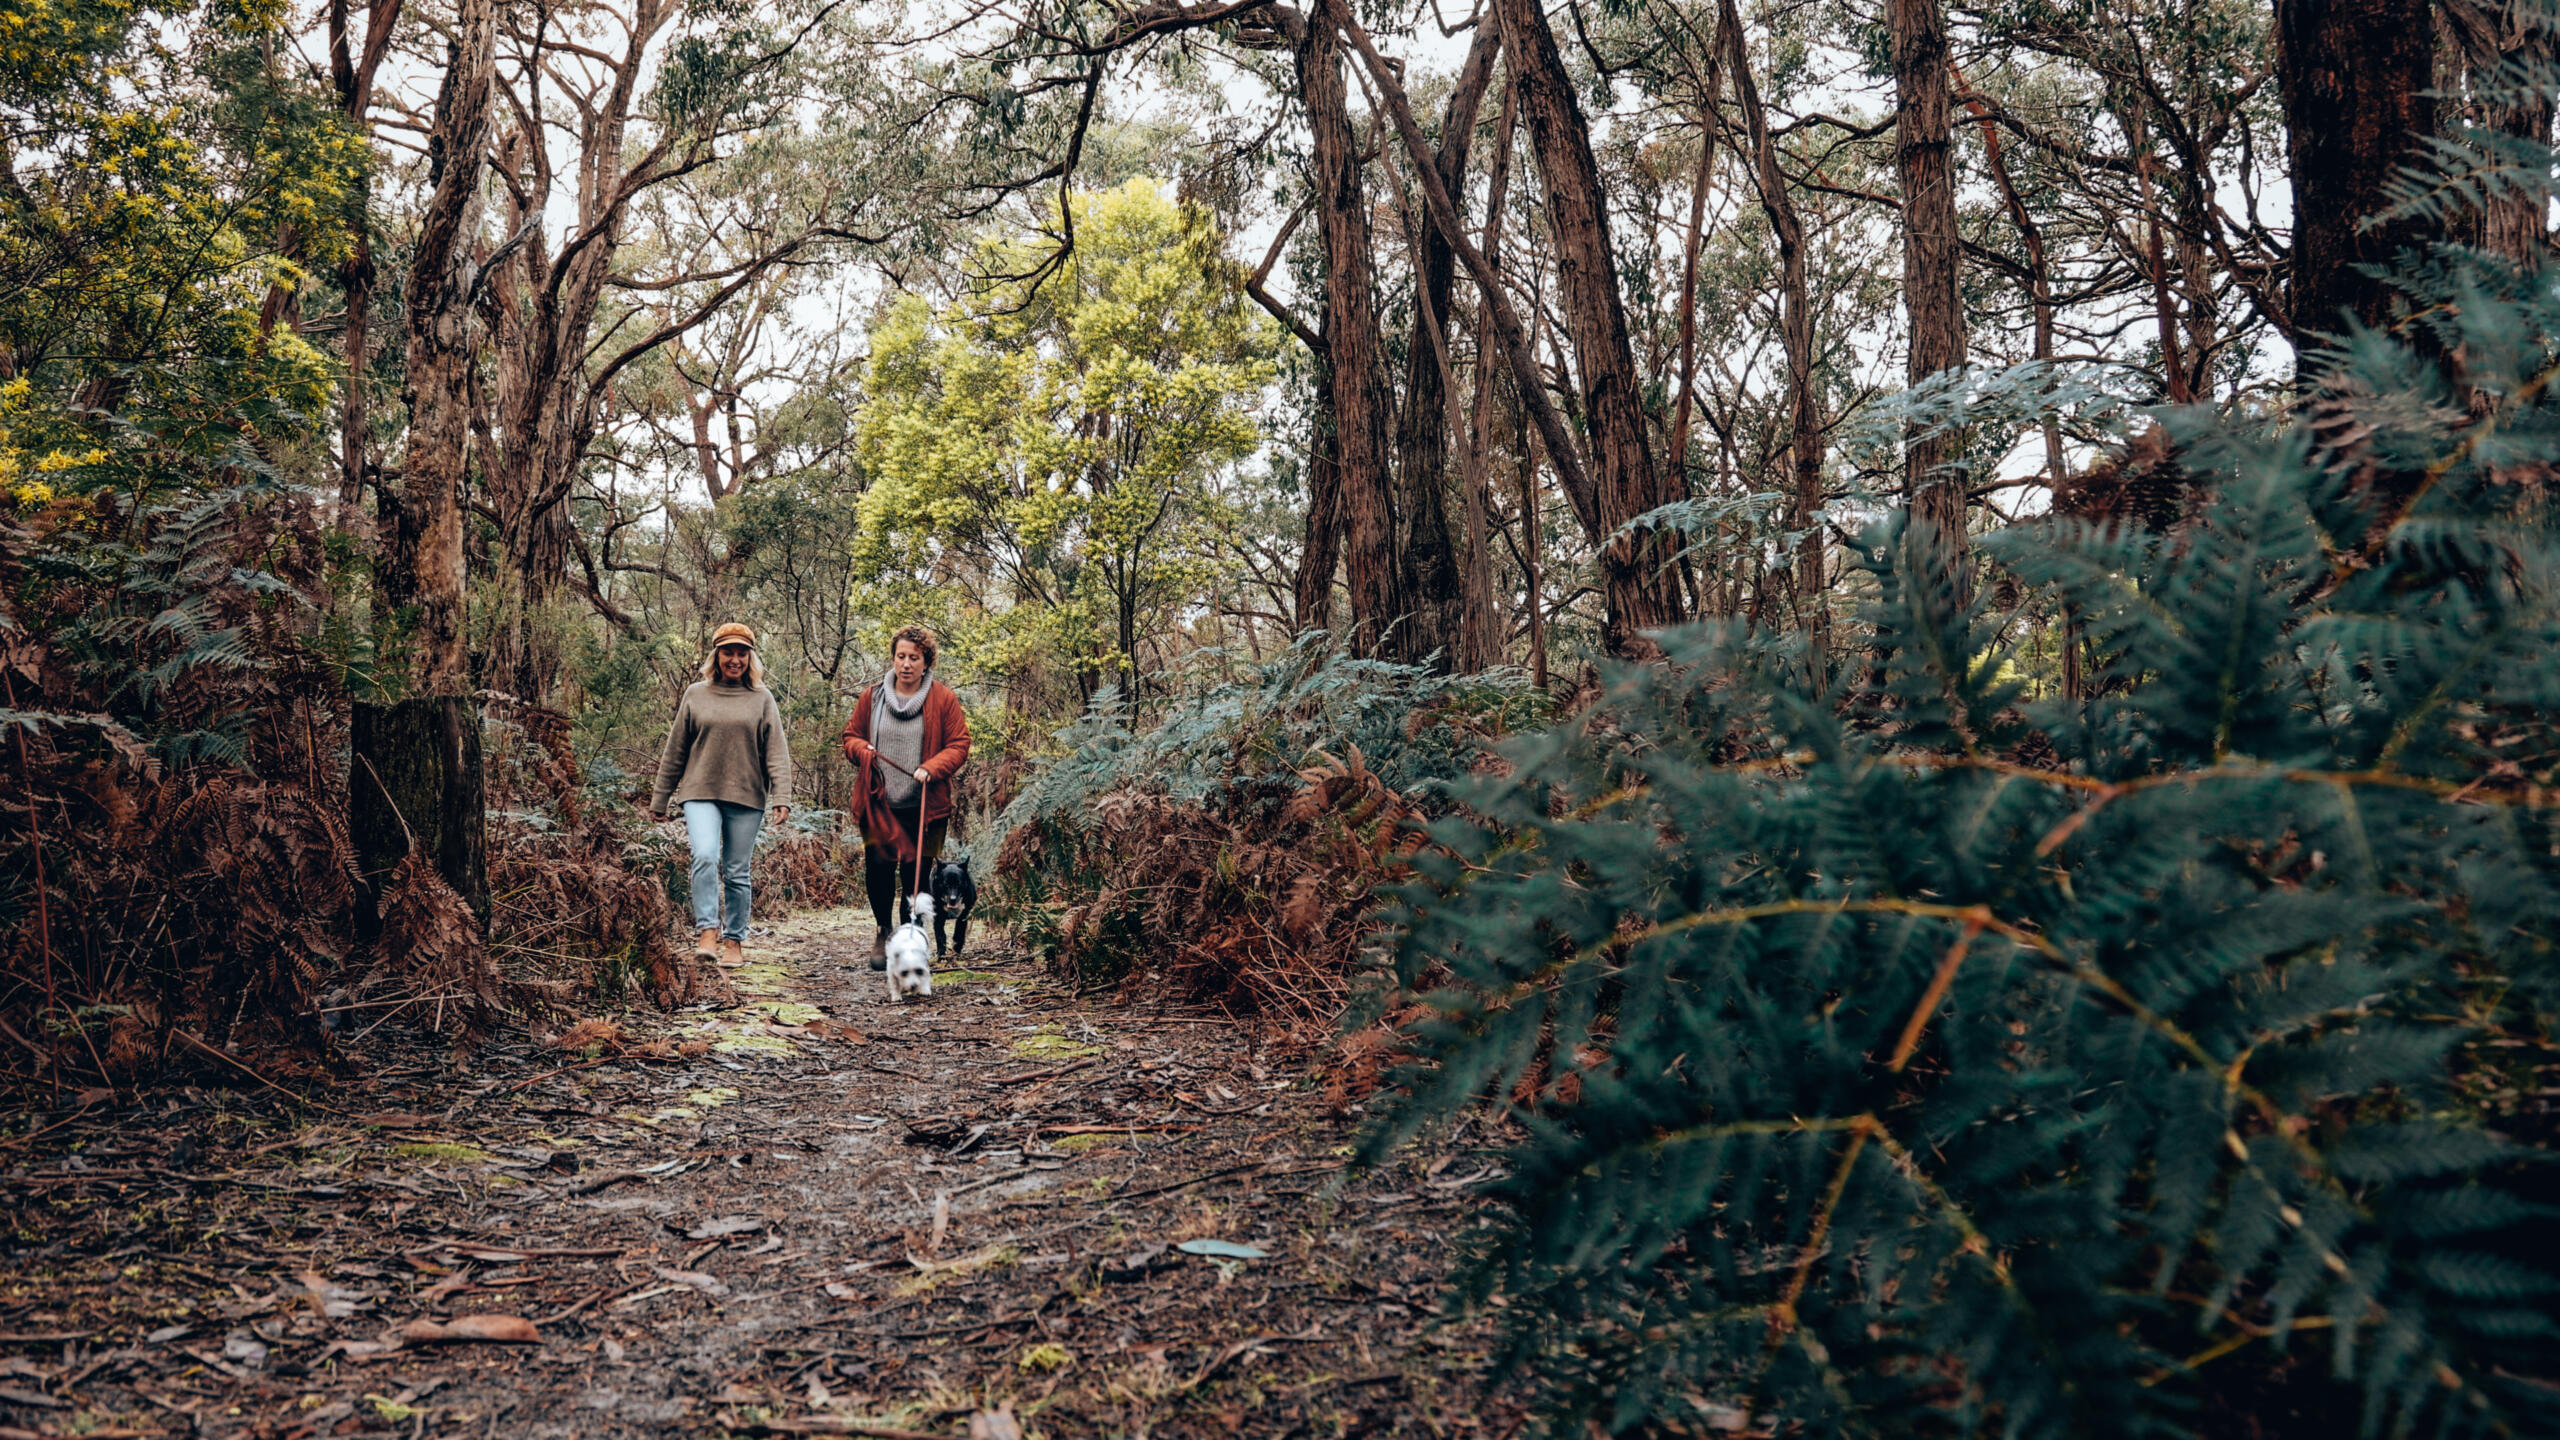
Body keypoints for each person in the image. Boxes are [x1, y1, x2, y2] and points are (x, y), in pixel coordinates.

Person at [650, 623, 793, 968]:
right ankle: (707, 933)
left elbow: (776, 752)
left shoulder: (762, 698)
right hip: (700, 790)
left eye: (742, 652)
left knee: (737, 870)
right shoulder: (695, 694)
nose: (735, 659)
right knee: (704, 856)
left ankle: (734, 941)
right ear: (716, 656)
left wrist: (782, 797)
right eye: (728, 652)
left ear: (750, 657)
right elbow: (676, 749)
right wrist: (660, 798)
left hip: (746, 795)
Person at [840, 625, 971, 968]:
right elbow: (850, 736)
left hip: (926, 805)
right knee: (878, 870)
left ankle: (908, 934)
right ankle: (884, 932)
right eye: (901, 656)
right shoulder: (872, 697)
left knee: (917, 872)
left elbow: (959, 744)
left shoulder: (943, 699)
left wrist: (932, 766)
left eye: (914, 657)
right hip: (879, 803)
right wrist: (862, 749)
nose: (907, 664)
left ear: (927, 662)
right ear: (893, 658)